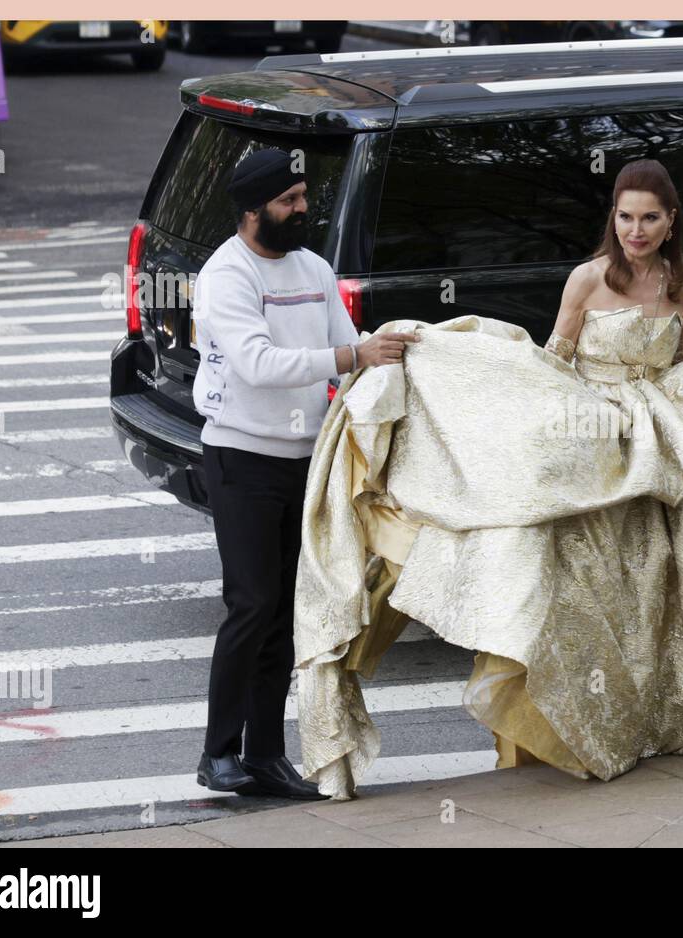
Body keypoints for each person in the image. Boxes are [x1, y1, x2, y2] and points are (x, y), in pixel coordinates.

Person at [293, 159, 683, 798]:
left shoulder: (682, 285)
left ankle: (678, 711)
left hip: (664, 438)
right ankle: (580, 723)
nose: (636, 230)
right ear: (613, 218)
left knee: (665, 578)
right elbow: (554, 363)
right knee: (588, 581)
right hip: (596, 436)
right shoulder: (588, 278)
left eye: (649, 218)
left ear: (670, 222)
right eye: (625, 216)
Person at [191, 148, 416, 798]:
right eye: (289, 201)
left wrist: (393, 352)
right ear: (253, 208)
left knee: (286, 612)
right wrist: (351, 352)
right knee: (251, 603)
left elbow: (353, 354)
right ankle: (217, 753)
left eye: (303, 197)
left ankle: (264, 754)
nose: (302, 210)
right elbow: (259, 363)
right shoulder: (225, 276)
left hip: (306, 462)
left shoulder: (313, 268)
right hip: (240, 457)